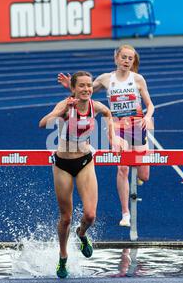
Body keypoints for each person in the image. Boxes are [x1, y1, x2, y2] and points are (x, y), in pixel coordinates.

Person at [58, 45, 155, 228]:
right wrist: (70, 86)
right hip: (116, 126)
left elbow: (150, 105)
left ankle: (137, 169)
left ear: (133, 61)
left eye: (130, 59)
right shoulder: (105, 79)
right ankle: (125, 213)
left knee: (144, 175)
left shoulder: (138, 79)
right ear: (116, 58)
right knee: (122, 169)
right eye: (124, 57)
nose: (126, 61)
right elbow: (83, 93)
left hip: (137, 125)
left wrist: (148, 118)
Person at [39, 71, 115, 278]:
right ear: (73, 89)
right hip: (62, 164)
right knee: (66, 218)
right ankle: (63, 257)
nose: (87, 89)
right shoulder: (65, 107)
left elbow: (108, 113)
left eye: (89, 85)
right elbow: (42, 123)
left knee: (90, 215)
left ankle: (81, 234)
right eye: (81, 86)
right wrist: (60, 111)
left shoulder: (95, 107)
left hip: (84, 162)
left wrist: (112, 137)